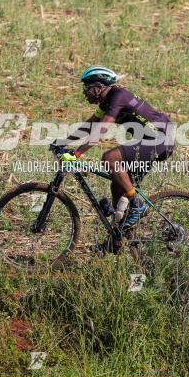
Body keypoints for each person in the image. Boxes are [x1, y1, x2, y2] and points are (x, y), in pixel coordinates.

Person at [58, 66, 174, 252]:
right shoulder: (106, 103)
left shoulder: (118, 96)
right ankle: (117, 239)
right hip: (149, 141)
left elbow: (101, 130)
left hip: (160, 140)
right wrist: (62, 141)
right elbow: (90, 125)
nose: (84, 92)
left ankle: (137, 204)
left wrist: (77, 153)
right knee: (117, 186)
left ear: (98, 86)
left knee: (109, 158)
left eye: (86, 87)